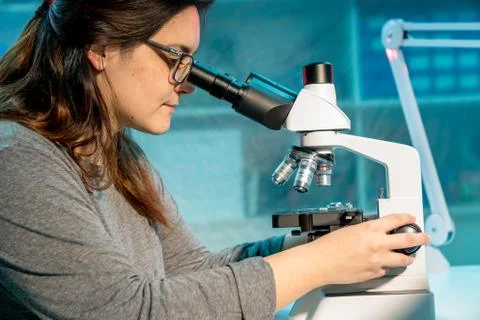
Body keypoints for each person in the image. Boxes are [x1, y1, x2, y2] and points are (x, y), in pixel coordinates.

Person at [0, 0, 431, 319]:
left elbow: (190, 272)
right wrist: (319, 263)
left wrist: (302, 245)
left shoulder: (114, 153)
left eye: (189, 61)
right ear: (101, 47)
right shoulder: (17, 161)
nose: (186, 82)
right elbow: (127, 311)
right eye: (175, 57)